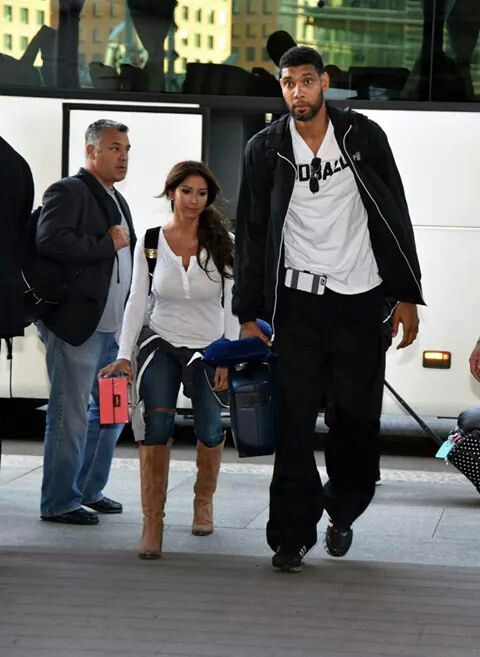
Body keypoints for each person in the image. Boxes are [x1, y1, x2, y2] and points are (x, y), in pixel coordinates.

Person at [233, 46, 424, 573]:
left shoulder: (363, 136)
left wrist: (405, 294)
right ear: (282, 88)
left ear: (325, 83)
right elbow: (250, 235)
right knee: (294, 424)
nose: (298, 91)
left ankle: (342, 509)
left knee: (356, 422)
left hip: (361, 302)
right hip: (297, 305)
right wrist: (249, 312)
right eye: (288, 82)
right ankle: (291, 535)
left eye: (307, 81)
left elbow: (395, 214)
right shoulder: (264, 148)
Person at [99, 160, 239, 560]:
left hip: (209, 348)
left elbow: (232, 304)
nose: (194, 200)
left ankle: (202, 503)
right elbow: (136, 302)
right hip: (161, 343)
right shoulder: (151, 241)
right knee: (155, 426)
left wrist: (227, 356)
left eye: (202, 193)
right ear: (172, 192)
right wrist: (125, 356)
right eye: (186, 191)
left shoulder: (223, 241)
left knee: (211, 430)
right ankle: (152, 525)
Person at [36, 119, 136, 524]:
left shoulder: (116, 198)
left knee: (111, 415)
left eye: (127, 148)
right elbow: (49, 240)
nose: (123, 156)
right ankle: (59, 501)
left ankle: (89, 490)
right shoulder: (69, 191)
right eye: (114, 148)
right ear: (90, 151)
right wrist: (104, 244)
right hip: (79, 329)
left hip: (113, 334)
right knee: (70, 416)